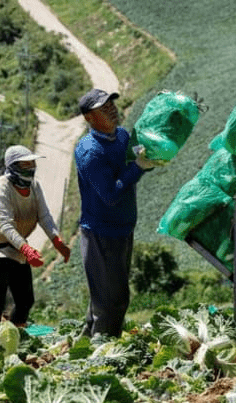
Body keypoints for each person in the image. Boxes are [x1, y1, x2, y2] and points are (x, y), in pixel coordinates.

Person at [74, 88, 158, 337]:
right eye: (104, 108)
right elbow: (110, 194)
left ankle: (88, 343)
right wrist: (138, 169)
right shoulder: (91, 152)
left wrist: (149, 160)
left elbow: (134, 166)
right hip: (101, 232)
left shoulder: (121, 136)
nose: (112, 110)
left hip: (122, 227)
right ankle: (103, 353)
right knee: (112, 301)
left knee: (109, 295)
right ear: (89, 118)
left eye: (112, 104)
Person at [0, 145, 71, 330]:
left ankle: (15, 334)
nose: (30, 169)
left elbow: (44, 216)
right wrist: (27, 249)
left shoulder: (34, 186)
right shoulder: (0, 189)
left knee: (25, 300)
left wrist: (56, 240)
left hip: (17, 247)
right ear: (13, 168)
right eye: (24, 165)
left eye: (32, 164)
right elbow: (5, 225)